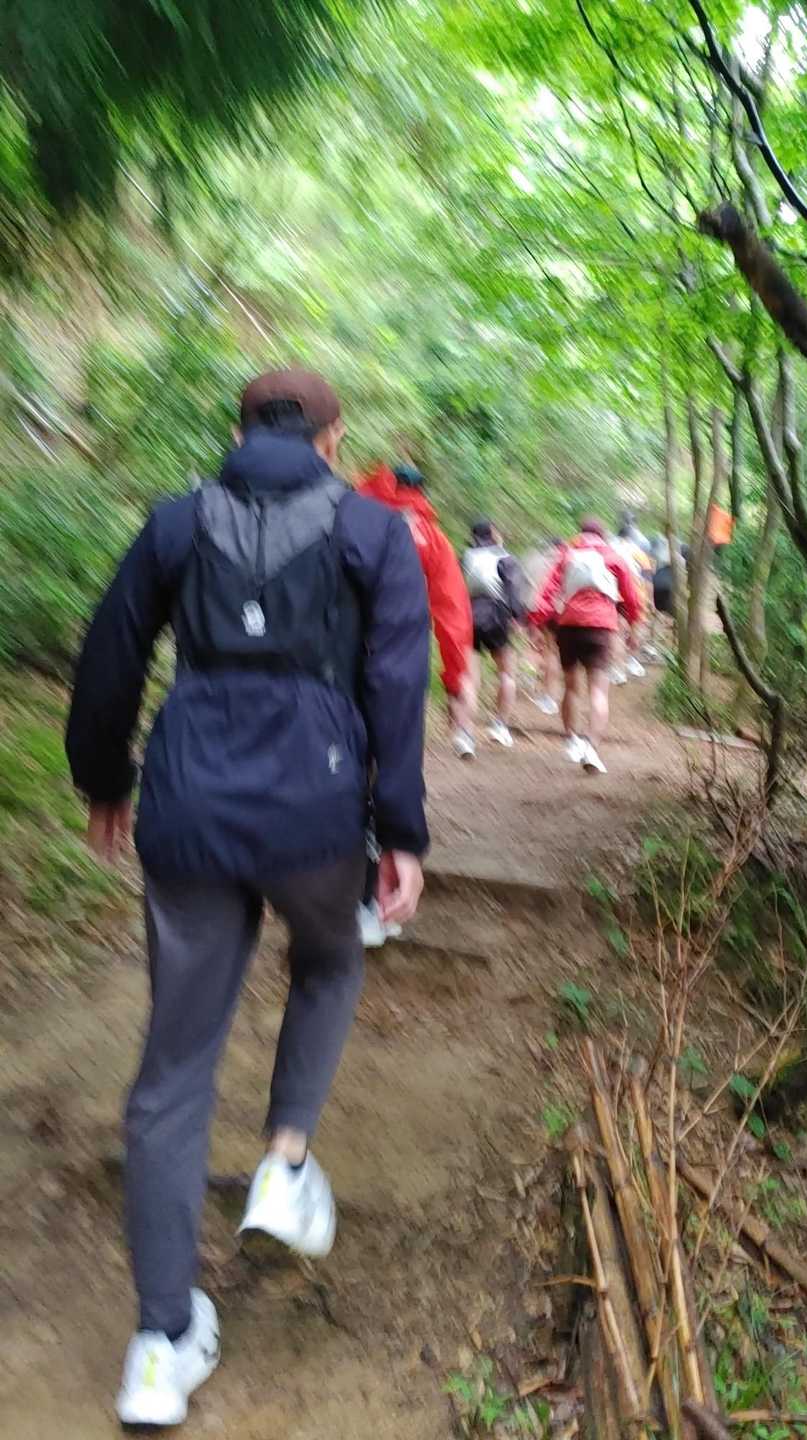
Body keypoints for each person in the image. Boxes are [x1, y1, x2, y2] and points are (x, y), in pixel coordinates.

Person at [65, 370, 430, 1429]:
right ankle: (284, 1159)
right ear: (333, 438)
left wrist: (105, 778)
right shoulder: (373, 532)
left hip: (187, 809)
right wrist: (401, 831)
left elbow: (110, 654)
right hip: (316, 814)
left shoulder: (177, 523)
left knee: (172, 1073)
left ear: (237, 429)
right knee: (332, 954)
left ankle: (159, 1345)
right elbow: (396, 686)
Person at [355, 461, 477, 759]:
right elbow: (451, 610)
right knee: (401, 720)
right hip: (406, 637)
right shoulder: (432, 538)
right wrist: (455, 674)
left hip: (354, 631)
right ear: (421, 492)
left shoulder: (355, 521)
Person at [531, 517, 642, 776]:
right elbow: (632, 598)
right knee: (598, 692)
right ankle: (591, 748)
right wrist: (634, 627)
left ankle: (572, 741)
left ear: (580, 534)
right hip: (601, 627)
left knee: (571, 687)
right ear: (602, 535)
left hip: (569, 624)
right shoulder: (613, 557)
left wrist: (536, 623)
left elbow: (546, 592)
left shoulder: (567, 555)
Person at [461, 519, 526, 748]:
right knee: (506, 673)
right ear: (493, 533)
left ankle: (466, 733)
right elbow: (513, 591)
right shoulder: (505, 558)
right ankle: (499, 726)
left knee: (469, 678)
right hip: (497, 616)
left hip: (468, 616)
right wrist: (518, 619)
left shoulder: (465, 557)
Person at [521, 536, 565, 715]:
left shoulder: (535, 560)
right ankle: (550, 696)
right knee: (553, 653)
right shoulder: (567, 560)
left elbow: (525, 586)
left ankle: (530, 675)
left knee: (535, 646)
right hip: (561, 611)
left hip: (536, 609)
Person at [609, 522, 654, 681]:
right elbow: (647, 580)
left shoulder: (611, 549)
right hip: (636, 594)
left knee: (617, 633)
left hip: (614, 595)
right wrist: (650, 600)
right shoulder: (639, 553)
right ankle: (631, 660)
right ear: (632, 537)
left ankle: (618, 670)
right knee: (636, 628)